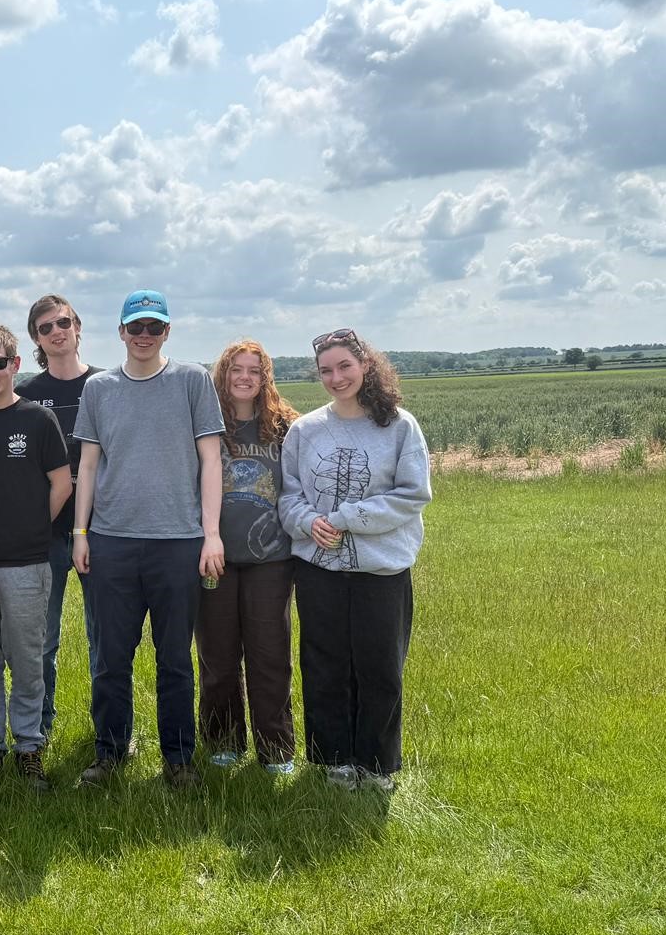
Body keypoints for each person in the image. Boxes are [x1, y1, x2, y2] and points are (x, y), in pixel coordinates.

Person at [73, 290, 225, 788]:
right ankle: (110, 753)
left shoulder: (192, 381)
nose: (144, 336)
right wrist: (81, 532)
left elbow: (209, 462)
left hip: (178, 541)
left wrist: (211, 536)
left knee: (175, 659)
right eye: (135, 328)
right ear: (120, 332)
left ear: (167, 332)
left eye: (153, 328)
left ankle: (178, 760)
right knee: (110, 659)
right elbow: (89, 466)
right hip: (111, 540)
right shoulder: (99, 388)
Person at [279, 328, 431, 792]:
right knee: (325, 664)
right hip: (318, 569)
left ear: (366, 365)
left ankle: (376, 764)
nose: (336, 377)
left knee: (380, 666)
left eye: (344, 366)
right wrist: (309, 523)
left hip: (380, 571)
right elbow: (288, 496)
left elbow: (412, 495)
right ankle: (332, 761)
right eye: (326, 370)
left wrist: (345, 518)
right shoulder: (305, 430)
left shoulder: (399, 426)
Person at [0, 325, 71, 792]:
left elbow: (62, 484)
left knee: (27, 661)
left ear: (16, 365)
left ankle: (28, 748)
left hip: (27, 562)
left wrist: (30, 526)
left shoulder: (38, 420)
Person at [196, 340, 300, 774]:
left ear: (265, 378)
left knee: (270, 655)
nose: (244, 377)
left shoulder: (285, 426)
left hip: (270, 561)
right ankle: (224, 741)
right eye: (236, 369)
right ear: (223, 374)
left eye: (253, 371)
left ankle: (276, 748)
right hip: (213, 557)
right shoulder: (206, 424)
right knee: (217, 656)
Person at [16, 294, 100, 743]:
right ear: (36, 339)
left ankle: (110, 730)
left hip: (103, 529)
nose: (56, 332)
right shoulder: (26, 395)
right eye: (45, 327)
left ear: (78, 326)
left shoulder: (107, 385)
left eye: (63, 322)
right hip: (44, 532)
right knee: (41, 641)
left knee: (104, 638)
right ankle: (37, 732)